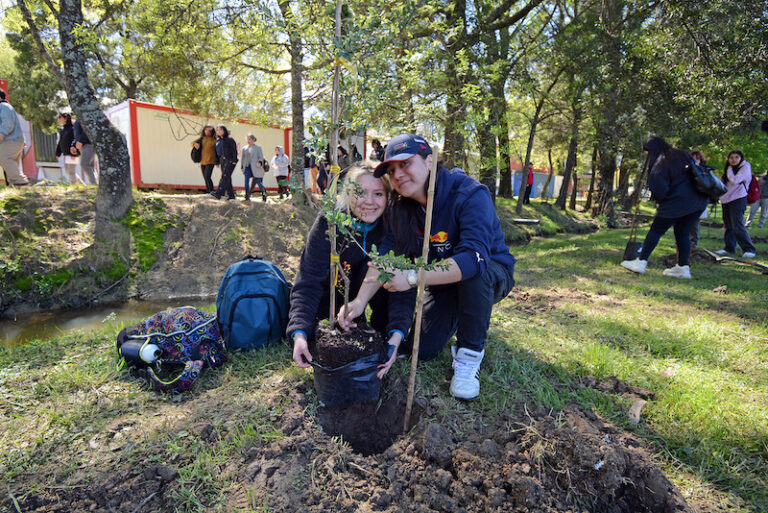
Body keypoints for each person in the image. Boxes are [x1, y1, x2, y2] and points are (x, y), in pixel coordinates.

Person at [338, 134, 516, 400]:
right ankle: (461, 313)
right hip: (441, 281)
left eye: (406, 164)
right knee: (423, 350)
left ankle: (469, 354)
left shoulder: (470, 194)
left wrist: (411, 277)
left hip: (489, 273)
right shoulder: (402, 205)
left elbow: (473, 259)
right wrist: (360, 300)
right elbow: (385, 255)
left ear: (429, 161)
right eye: (392, 170)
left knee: (473, 274)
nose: (398, 175)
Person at [289, 162, 413, 379]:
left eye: (378, 194)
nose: (369, 202)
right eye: (360, 193)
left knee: (382, 268)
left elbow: (403, 287)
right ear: (347, 194)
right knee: (315, 329)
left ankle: (381, 329)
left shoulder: (393, 224)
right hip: (330, 304)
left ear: (388, 197)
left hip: (375, 302)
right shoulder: (330, 222)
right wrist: (299, 333)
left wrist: (396, 336)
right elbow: (308, 280)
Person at [620, 137, 708, 279]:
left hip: (677, 201)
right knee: (683, 232)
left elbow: (659, 189)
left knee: (656, 230)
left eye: (647, 152)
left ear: (652, 150)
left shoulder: (660, 162)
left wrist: (662, 201)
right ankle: (683, 268)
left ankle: (641, 262)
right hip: (699, 201)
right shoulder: (683, 154)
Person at [716, 150, 756, 257]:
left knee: (737, 225)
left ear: (741, 158)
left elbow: (735, 180)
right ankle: (729, 248)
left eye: (736, 157)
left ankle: (749, 249)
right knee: (728, 225)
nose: (733, 160)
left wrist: (729, 169)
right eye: (731, 157)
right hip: (726, 200)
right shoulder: (730, 170)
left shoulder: (745, 167)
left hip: (738, 198)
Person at [0, 90, 29, 187]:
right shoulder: (6, 107)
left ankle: (20, 181)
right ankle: (15, 185)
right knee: (12, 162)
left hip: (9, 141)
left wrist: (1, 133)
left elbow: (8, 123)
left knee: (4, 157)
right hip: (13, 141)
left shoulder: (3, 107)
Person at [688, 150, 711, 248]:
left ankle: (693, 245)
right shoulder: (685, 170)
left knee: (694, 224)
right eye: (693, 158)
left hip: (698, 202)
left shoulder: (704, 171)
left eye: (697, 158)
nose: (695, 160)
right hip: (685, 201)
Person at [55, 113, 84, 185]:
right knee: (68, 171)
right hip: (66, 154)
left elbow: (75, 141)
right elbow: (60, 142)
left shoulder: (73, 129)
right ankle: (82, 185)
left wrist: (75, 153)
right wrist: (58, 152)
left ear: (66, 118)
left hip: (73, 153)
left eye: (60, 117)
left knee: (71, 171)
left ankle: (74, 186)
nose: (58, 119)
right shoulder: (63, 129)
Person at [212, 125, 238, 200]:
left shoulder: (229, 139)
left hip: (230, 160)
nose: (219, 131)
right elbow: (217, 152)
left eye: (221, 130)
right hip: (222, 160)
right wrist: (217, 162)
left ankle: (219, 193)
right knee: (227, 178)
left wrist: (234, 160)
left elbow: (234, 150)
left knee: (225, 176)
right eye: (217, 130)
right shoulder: (218, 140)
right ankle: (231, 195)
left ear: (224, 130)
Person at [70, 119, 97, 184]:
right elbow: (77, 135)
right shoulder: (77, 120)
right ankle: (95, 185)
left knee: (84, 164)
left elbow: (88, 130)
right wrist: (73, 145)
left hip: (88, 144)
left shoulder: (85, 116)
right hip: (82, 145)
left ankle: (94, 184)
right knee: (90, 166)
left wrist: (81, 140)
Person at [192, 125, 217, 193]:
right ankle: (209, 191)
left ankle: (211, 191)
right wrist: (195, 144)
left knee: (207, 176)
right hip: (202, 161)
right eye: (206, 130)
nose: (208, 132)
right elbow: (192, 143)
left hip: (211, 161)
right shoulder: (201, 139)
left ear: (212, 131)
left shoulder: (214, 140)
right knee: (205, 177)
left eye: (210, 130)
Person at [241, 134, 265, 201]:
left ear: (253, 140)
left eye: (250, 139)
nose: (248, 141)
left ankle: (264, 193)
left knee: (258, 181)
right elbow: (243, 158)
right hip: (247, 166)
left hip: (255, 167)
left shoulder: (258, 148)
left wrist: (260, 162)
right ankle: (247, 195)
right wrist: (242, 167)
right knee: (246, 181)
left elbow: (261, 157)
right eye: (247, 139)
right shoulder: (244, 148)